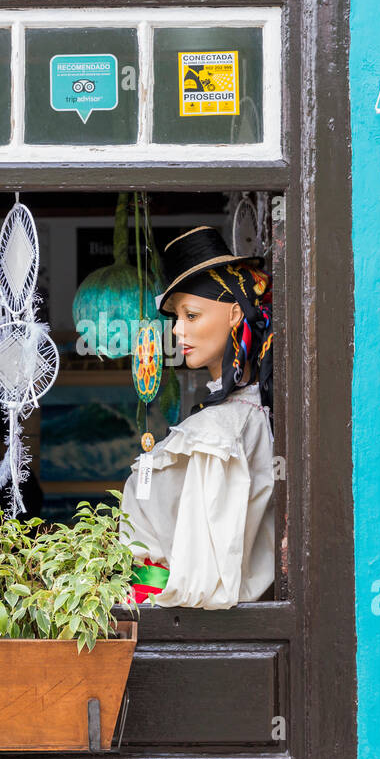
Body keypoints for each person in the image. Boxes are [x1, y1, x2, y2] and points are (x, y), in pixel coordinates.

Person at [119, 225, 276, 609]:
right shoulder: (223, 421)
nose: (178, 330)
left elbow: (207, 574)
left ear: (235, 313)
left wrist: (152, 599)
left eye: (191, 314)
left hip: (177, 616)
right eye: (176, 317)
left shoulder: (224, 430)